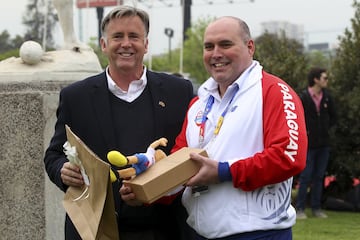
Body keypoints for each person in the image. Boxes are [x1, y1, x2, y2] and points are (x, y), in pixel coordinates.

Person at [121, 16, 308, 239]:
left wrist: (223, 172)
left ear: (250, 47)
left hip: (258, 234)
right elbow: (180, 169)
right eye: (209, 47)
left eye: (225, 44)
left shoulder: (273, 91)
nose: (216, 53)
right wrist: (145, 188)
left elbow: (288, 157)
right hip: (200, 233)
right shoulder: (198, 104)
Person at [44, 6, 194, 240]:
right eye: (117, 36)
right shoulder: (76, 97)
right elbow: (54, 154)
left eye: (134, 36)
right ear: (104, 45)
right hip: (97, 229)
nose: (126, 44)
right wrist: (61, 169)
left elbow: (190, 153)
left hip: (164, 227)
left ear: (146, 44)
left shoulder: (179, 92)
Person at [296, 67, 337, 219]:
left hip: (323, 144)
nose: (326, 81)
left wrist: (326, 130)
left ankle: (316, 208)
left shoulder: (327, 97)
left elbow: (334, 117)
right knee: (305, 177)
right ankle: (300, 208)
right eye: (324, 78)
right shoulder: (304, 97)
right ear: (316, 79)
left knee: (319, 177)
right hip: (308, 145)